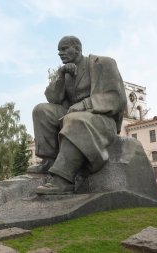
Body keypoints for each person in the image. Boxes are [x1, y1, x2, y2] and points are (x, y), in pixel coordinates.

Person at [28, 36, 127, 194]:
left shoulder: (103, 63)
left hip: (102, 119)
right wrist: (60, 75)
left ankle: (63, 179)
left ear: (78, 48)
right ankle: (50, 161)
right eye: (59, 50)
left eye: (64, 48)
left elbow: (117, 98)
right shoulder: (66, 71)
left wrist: (85, 104)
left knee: (74, 119)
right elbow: (53, 99)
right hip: (73, 115)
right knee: (41, 110)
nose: (60, 53)